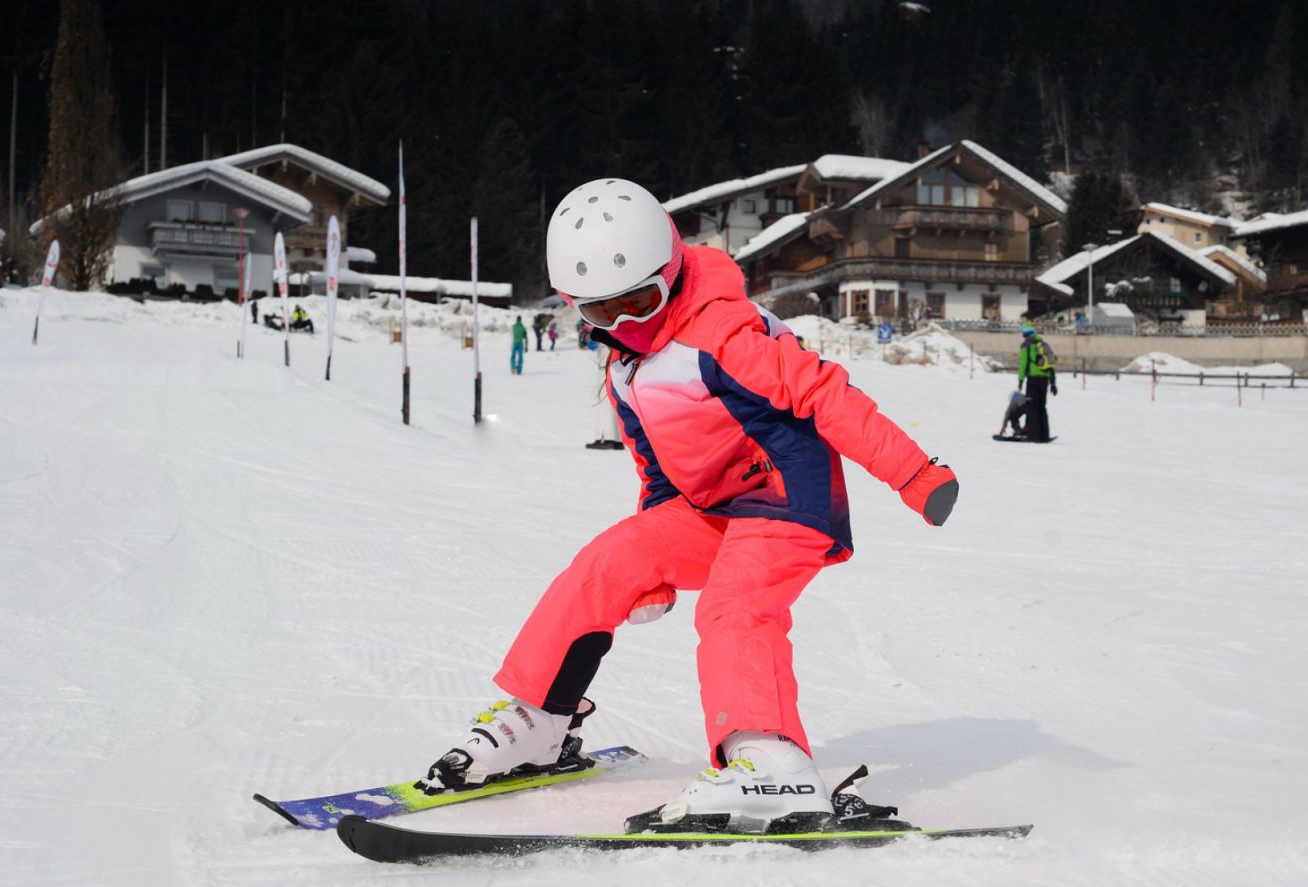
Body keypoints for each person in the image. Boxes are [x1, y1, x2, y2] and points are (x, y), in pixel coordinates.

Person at [418, 178, 959, 835]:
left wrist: (915, 474)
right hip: (711, 509)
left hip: (785, 496)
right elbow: (659, 469)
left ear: (671, 273)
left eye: (640, 302)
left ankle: (770, 761)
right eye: (602, 312)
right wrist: (652, 562)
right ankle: (540, 720)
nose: (626, 325)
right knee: (606, 562)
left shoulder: (723, 333)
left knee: (736, 603)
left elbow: (825, 395)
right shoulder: (625, 369)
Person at [1016, 323, 1058, 442]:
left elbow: (1023, 364)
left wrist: (1020, 380)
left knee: (1032, 408)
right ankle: (1044, 436)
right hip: (1044, 381)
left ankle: (1033, 436)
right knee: (1042, 408)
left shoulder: (1026, 345)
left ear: (1024, 332)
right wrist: (1053, 382)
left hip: (1033, 380)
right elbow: (1051, 365)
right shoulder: (1044, 344)